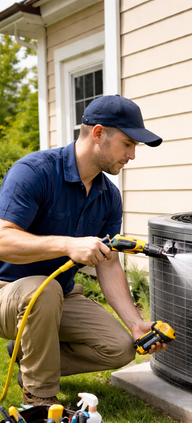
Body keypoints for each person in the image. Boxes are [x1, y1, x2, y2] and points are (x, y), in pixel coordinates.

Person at [0, 94, 166, 406]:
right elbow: (2, 241)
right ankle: (40, 402)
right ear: (99, 133)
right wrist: (66, 244)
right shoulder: (35, 172)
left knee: (119, 347)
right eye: (128, 144)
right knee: (43, 290)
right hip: (6, 293)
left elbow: (109, 263)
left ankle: (28, 357)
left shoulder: (108, 196)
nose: (132, 155)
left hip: (60, 294)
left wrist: (135, 324)